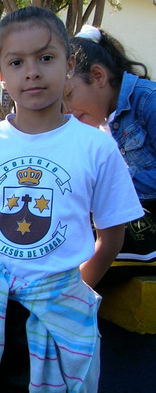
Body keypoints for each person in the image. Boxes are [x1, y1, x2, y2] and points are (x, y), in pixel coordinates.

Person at [0, 6, 142, 391]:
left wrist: (74, 289)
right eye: (17, 62)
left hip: (58, 314)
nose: (32, 71)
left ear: (69, 65)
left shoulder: (96, 147)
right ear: (0, 75)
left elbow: (112, 236)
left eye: (46, 58)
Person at [66, 25, 156, 274]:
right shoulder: (98, 124)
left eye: (69, 95)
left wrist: (106, 187)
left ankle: (72, 298)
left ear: (98, 76)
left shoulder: (149, 101)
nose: (67, 110)